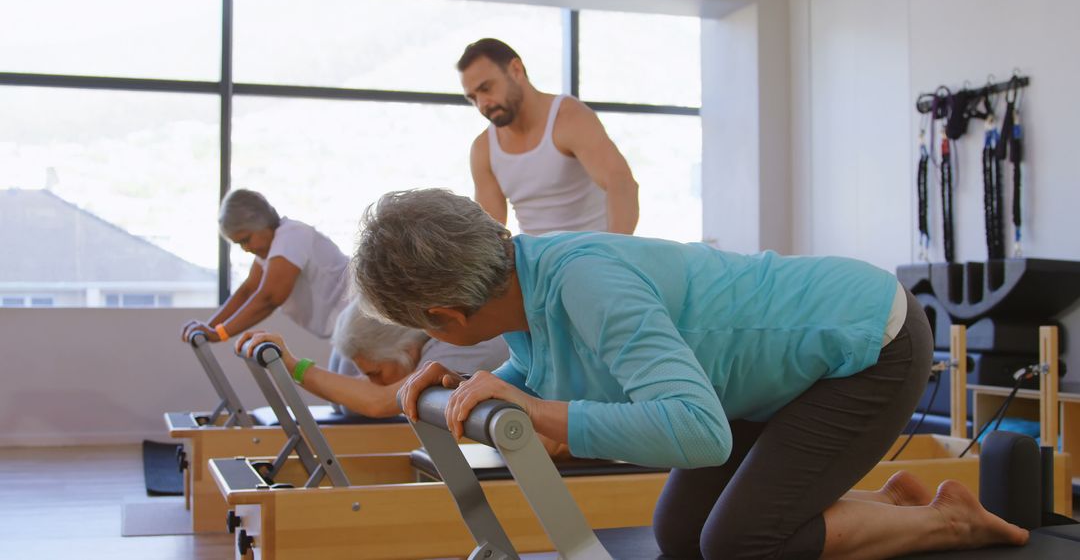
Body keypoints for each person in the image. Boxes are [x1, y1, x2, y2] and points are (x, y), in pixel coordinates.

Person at [355, 188, 1029, 559]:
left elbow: (700, 433)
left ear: (444, 312)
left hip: (865, 340)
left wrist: (540, 414)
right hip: (763, 376)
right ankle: (890, 507)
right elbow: (534, 378)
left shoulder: (584, 279)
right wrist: (468, 391)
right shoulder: (524, 281)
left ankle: (947, 521)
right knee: (681, 537)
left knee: (740, 543)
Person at [459, 38, 639, 235]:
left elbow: (621, 182)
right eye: (474, 97)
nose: (483, 103)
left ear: (516, 70)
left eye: (486, 88)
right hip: (535, 259)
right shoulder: (483, 148)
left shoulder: (569, 117)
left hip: (592, 252)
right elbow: (490, 231)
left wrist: (615, 252)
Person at [235, 296, 509, 418]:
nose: (370, 382)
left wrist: (294, 366)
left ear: (405, 349)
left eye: (374, 373)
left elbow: (379, 402)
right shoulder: (414, 346)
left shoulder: (467, 344)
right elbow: (350, 404)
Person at [180, 189, 350, 345]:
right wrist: (208, 328)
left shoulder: (291, 236)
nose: (246, 249)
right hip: (346, 327)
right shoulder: (272, 249)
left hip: (361, 319)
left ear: (262, 225)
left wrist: (219, 333)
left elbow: (269, 298)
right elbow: (249, 290)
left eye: (246, 240)